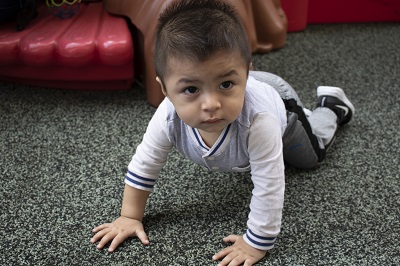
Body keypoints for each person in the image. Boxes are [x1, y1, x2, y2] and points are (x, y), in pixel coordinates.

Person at [90, 0, 355, 265]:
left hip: (279, 106)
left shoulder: (260, 122)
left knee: (311, 158)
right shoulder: (168, 114)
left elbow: (270, 185)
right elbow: (145, 164)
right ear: (165, 90)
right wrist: (129, 216)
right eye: (191, 90)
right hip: (247, 93)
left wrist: (256, 243)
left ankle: (331, 106)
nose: (211, 104)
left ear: (246, 74)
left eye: (225, 85)